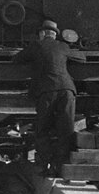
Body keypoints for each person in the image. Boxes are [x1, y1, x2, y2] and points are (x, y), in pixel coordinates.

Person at [12, 19, 82, 177]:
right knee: (66, 130)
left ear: (42, 34)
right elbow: (82, 58)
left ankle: (44, 165)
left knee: (43, 129)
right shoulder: (63, 46)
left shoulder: (37, 45)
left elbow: (16, 59)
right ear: (55, 35)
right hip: (67, 90)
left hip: (47, 91)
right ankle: (62, 166)